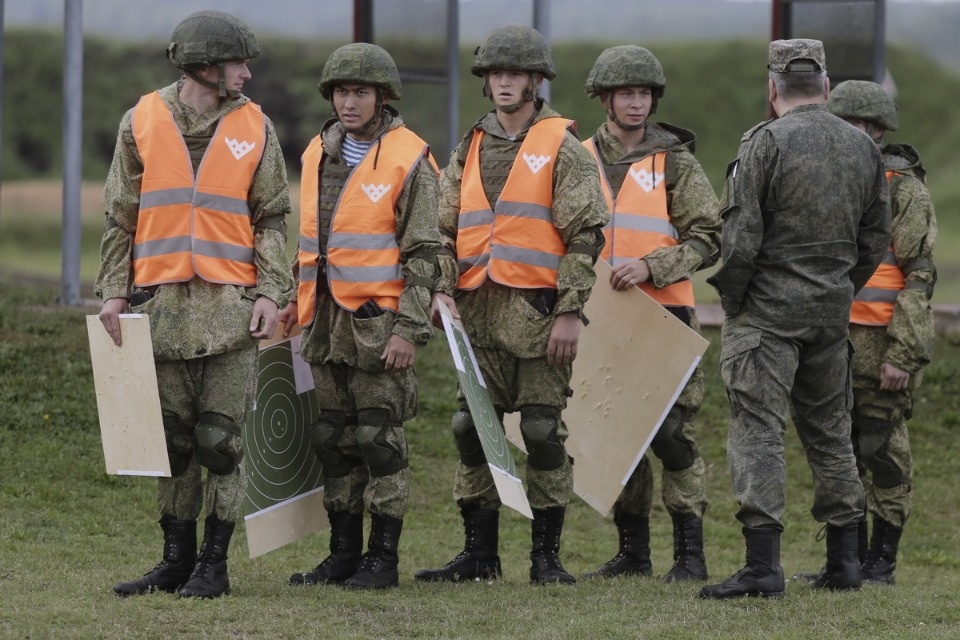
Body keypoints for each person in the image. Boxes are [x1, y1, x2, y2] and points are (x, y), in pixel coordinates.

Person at [96, 10, 294, 598]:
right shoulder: (141, 121)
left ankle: (215, 565)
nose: (249, 74)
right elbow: (119, 218)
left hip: (231, 310)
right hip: (160, 309)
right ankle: (174, 562)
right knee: (175, 443)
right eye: (239, 63)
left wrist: (271, 293)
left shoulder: (257, 127)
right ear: (206, 66)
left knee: (220, 442)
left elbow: (272, 219)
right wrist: (112, 292)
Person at [413, 24, 609, 585]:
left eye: (515, 73)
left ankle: (546, 557)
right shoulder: (468, 147)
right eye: (496, 73)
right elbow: (444, 230)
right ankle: (480, 554)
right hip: (475, 315)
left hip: (540, 315)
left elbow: (584, 237)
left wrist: (570, 311)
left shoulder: (562, 146)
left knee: (544, 432)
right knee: (470, 427)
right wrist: (441, 287)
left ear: (536, 80)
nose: (504, 82)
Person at [699, 39, 891, 599]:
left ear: (772, 90)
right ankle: (845, 563)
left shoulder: (764, 143)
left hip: (767, 317)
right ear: (827, 88)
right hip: (831, 316)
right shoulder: (863, 148)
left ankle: (762, 567)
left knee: (759, 430)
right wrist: (839, 289)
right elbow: (875, 239)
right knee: (832, 434)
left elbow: (739, 241)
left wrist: (737, 303)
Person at [280, 43, 441, 590]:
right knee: (333, 438)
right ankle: (343, 554)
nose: (350, 102)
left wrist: (409, 329)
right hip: (322, 320)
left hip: (379, 322)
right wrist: (289, 299)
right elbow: (306, 241)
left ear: (383, 97)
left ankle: (382, 559)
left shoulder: (409, 156)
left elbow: (427, 252)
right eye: (342, 92)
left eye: (361, 92)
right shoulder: (314, 154)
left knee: (379, 439)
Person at [578, 45, 720, 583]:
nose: (636, 103)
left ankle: (690, 556)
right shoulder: (578, 156)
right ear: (606, 99)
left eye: (644, 94)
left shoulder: (675, 160)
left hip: (666, 318)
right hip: (600, 321)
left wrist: (653, 266)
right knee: (621, 434)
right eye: (626, 94)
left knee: (672, 436)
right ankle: (632, 553)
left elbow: (710, 236)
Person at [793, 80, 936, 586]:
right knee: (838, 452)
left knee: (881, 450)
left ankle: (882, 562)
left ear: (880, 132)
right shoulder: (819, 182)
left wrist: (904, 351)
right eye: (849, 125)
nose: (859, 134)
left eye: (868, 127)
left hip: (881, 346)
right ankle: (844, 562)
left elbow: (919, 275)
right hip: (830, 343)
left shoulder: (905, 191)